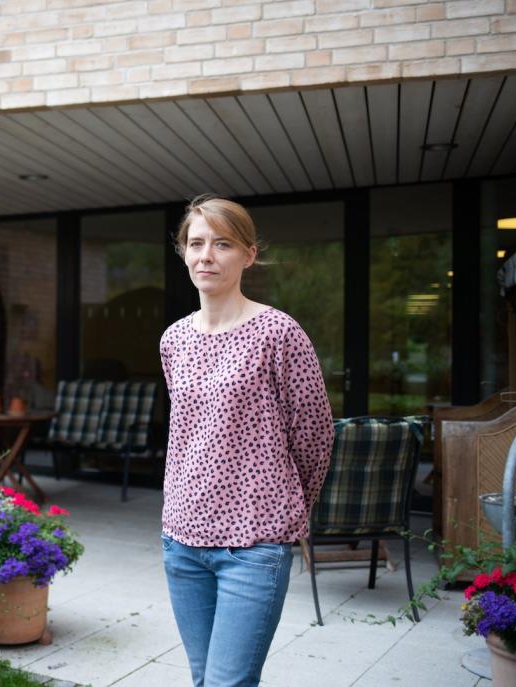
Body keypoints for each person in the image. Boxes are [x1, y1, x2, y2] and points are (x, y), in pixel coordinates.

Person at [159, 195, 334, 686]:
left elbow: (315, 436)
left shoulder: (279, 333)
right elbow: (188, 433)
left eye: (222, 244)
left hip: (254, 545)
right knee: (202, 679)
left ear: (249, 255)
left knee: (226, 683)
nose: (206, 255)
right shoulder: (173, 339)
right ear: (183, 252)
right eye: (195, 243)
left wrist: (291, 512)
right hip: (181, 539)